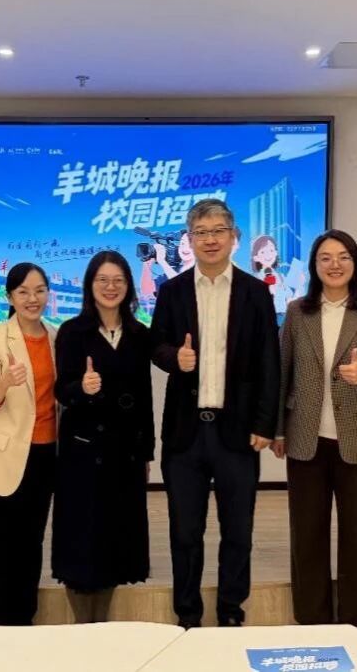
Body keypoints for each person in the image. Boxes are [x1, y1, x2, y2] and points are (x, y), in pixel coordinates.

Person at [150, 198, 280, 629]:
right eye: (201, 232)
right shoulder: (172, 291)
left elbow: (269, 361)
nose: (209, 239)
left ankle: (230, 611)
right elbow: (156, 346)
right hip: (185, 433)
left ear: (234, 237)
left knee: (237, 532)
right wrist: (174, 358)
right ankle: (187, 615)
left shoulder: (255, 293)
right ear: (189, 240)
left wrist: (265, 424)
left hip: (238, 431)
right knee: (184, 533)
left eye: (218, 231)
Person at [274, 229, 357, 626]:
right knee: (307, 539)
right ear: (314, 265)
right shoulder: (298, 312)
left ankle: (355, 623)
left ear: (355, 263)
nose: (335, 264)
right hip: (306, 440)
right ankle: (311, 622)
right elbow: (282, 371)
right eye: (325, 257)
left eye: (344, 257)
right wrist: (278, 429)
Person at [51, 251, 154, 622]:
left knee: (115, 542)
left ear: (128, 287)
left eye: (118, 280)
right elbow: (61, 390)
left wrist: (146, 452)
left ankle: (103, 623)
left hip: (125, 454)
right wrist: (83, 388)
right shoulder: (72, 331)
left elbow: (145, 397)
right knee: (81, 543)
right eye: (103, 280)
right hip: (82, 454)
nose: (111, 287)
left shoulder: (140, 334)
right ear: (90, 285)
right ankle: (84, 627)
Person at [0, 262, 58, 625]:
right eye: (23, 292)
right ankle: (0, 630)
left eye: (39, 291)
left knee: (32, 545)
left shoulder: (56, 337)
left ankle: (25, 625)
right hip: (2, 458)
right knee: (4, 549)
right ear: (10, 297)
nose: (33, 299)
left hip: (44, 455)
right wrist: (4, 382)